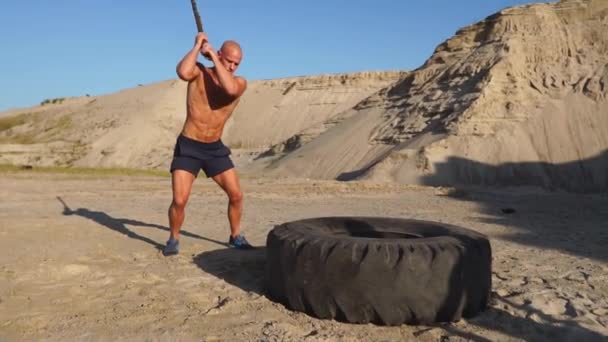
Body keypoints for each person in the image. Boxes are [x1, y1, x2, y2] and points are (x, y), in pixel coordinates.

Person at [164, 32, 252, 256]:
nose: (232, 66)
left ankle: (235, 236)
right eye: (229, 60)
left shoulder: (239, 83)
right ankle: (173, 238)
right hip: (189, 145)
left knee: (236, 195)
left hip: (214, 148)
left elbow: (229, 89)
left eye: (236, 63)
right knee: (180, 200)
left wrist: (212, 55)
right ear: (221, 54)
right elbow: (183, 72)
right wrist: (197, 47)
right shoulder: (199, 72)